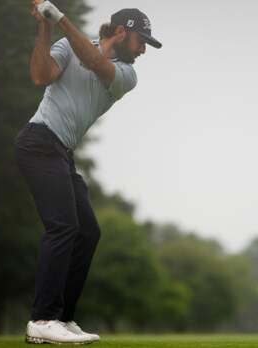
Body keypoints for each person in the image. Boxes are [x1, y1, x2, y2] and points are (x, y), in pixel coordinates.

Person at [14, 0, 161, 344]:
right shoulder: (66, 44)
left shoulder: (127, 75)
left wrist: (59, 17)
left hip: (60, 153)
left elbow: (94, 61)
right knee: (63, 226)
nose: (143, 50)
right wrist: (46, 25)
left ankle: (62, 318)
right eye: (142, 41)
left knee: (88, 232)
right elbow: (41, 76)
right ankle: (43, 319)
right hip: (38, 142)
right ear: (122, 32)